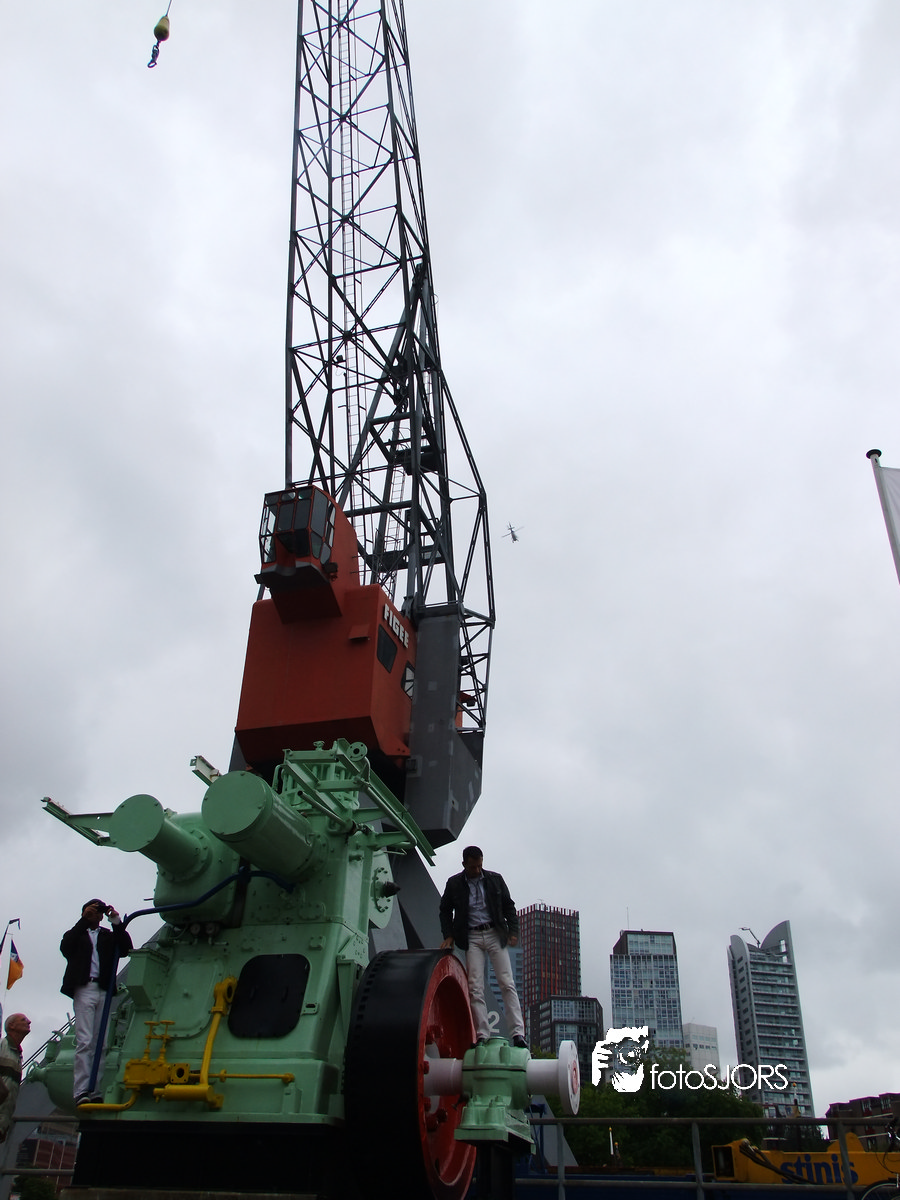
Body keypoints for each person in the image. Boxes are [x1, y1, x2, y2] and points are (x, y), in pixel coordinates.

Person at [439, 846, 527, 1048]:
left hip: (494, 933)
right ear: (464, 864)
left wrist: (513, 931)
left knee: (507, 982)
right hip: (471, 936)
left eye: (480, 866)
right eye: (473, 867)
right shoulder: (454, 884)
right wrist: (449, 935)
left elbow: (508, 906)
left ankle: (518, 1033)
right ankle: (482, 1034)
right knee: (475, 986)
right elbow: (445, 910)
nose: (477, 870)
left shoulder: (495, 879)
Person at [60, 899, 132, 1105]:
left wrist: (115, 921)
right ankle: (81, 1090)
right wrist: (83, 920)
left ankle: (95, 1090)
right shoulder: (76, 934)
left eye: (98, 910)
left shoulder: (107, 936)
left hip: (103, 990)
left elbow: (125, 948)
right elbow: (66, 948)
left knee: (101, 1042)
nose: (96, 914)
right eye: (92, 909)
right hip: (84, 988)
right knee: (85, 1040)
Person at [0, 1012, 31, 1142]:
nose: (29, 1022)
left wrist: (5, 1124)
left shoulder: (17, 1055)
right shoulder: (2, 1046)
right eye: (23, 1020)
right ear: (12, 1025)